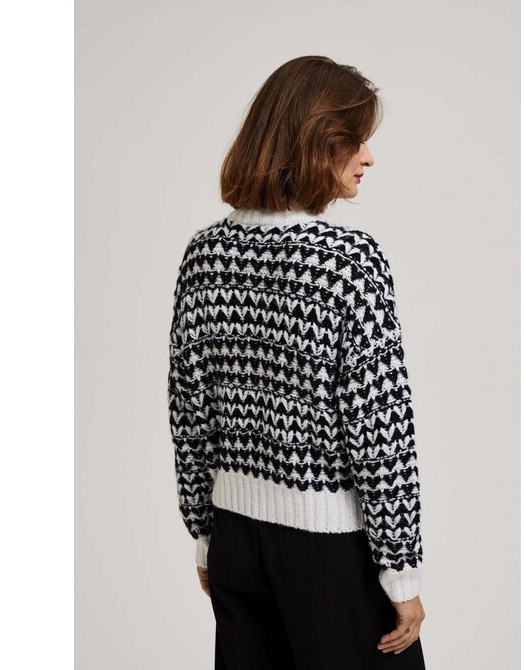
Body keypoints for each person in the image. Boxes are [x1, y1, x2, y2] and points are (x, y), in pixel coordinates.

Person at [168, 55, 427, 669]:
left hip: (236, 539)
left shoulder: (205, 255)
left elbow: (189, 413)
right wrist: (401, 573)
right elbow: (379, 427)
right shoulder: (348, 262)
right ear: (318, 142)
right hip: (330, 552)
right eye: (356, 140)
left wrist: (206, 536)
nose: (368, 157)